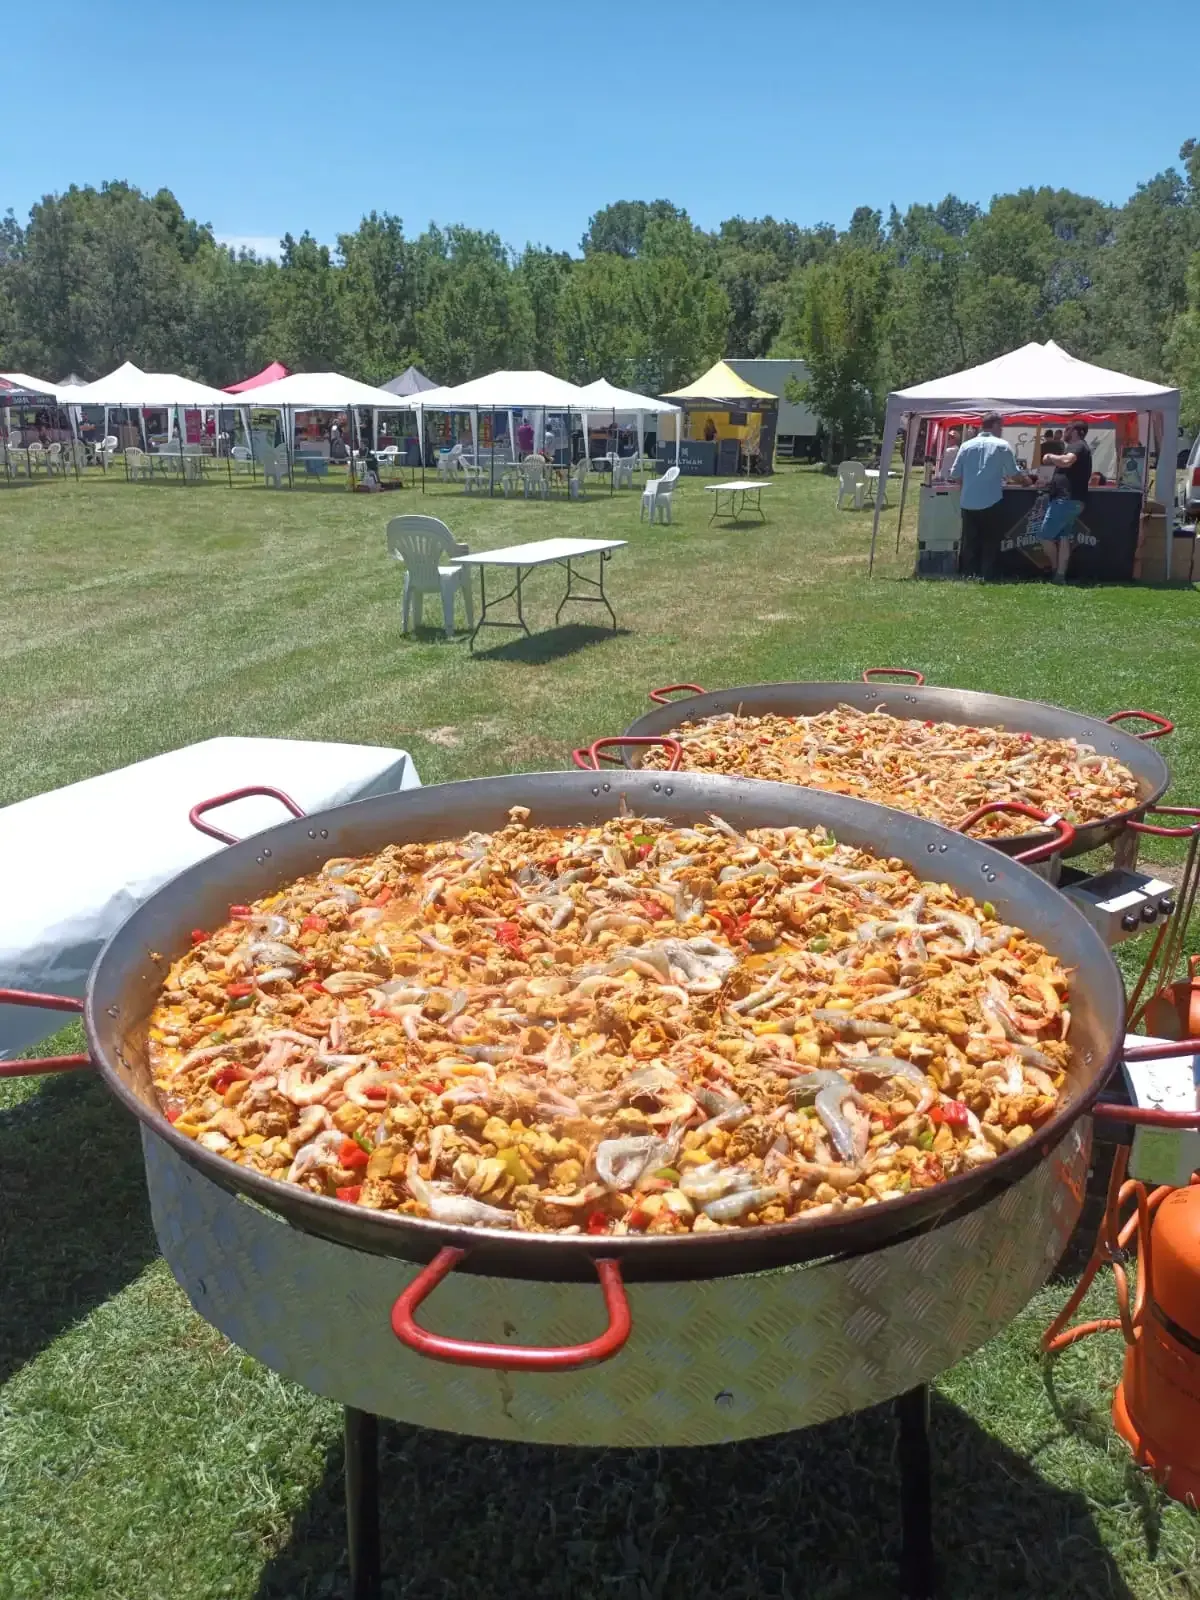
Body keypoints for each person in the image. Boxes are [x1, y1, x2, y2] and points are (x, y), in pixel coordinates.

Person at [947, 412, 1023, 579]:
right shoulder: (1002, 445)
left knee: (970, 541)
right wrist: (1027, 482)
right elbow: (1013, 473)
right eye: (1001, 426)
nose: (1002, 430)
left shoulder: (966, 446)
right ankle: (988, 574)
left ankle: (968, 574)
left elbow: (954, 474)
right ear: (995, 425)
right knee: (990, 540)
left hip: (968, 499)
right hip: (992, 499)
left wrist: (968, 482)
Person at [1034, 422, 1092, 583]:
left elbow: (1067, 461)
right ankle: (1060, 576)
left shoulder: (1078, 446)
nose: (1064, 432)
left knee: (1044, 536)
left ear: (1076, 431)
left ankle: (1054, 569)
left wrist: (1050, 456)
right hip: (1071, 500)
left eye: (1067, 429)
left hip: (1066, 500)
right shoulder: (1078, 447)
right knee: (1064, 537)